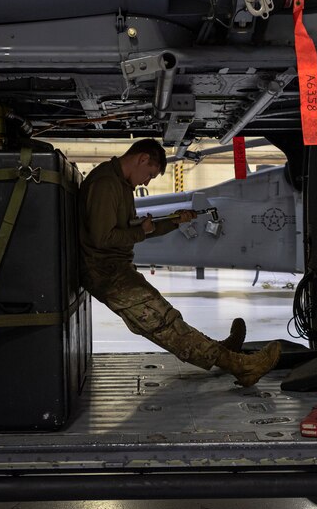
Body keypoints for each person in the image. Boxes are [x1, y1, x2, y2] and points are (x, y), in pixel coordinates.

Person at [78, 138, 281, 386]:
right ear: (142, 159)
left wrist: (175, 222)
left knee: (167, 318)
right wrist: (141, 231)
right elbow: (102, 238)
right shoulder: (105, 184)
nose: (147, 182)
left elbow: (130, 229)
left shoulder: (118, 183)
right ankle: (242, 366)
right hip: (106, 274)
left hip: (115, 270)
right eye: (150, 174)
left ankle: (220, 351)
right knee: (164, 324)